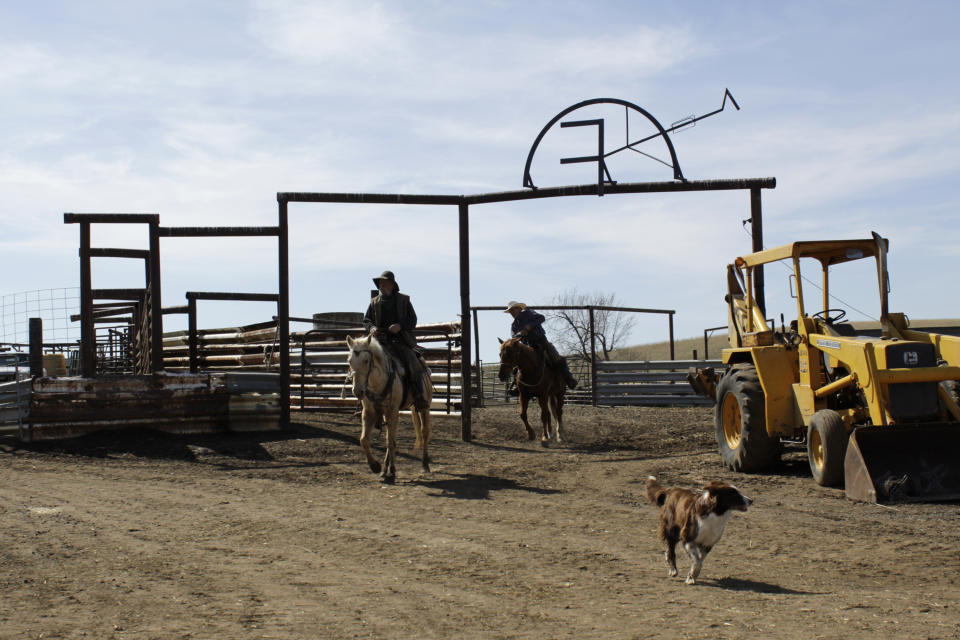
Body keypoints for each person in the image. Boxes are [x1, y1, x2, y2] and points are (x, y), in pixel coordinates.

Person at [363, 270, 430, 410]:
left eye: (385, 283)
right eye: (380, 283)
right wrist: (371, 328)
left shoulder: (404, 300)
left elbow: (413, 320)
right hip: (380, 342)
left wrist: (400, 326)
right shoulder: (374, 302)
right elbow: (366, 320)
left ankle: (419, 396)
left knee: (413, 362)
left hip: (400, 340)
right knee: (363, 362)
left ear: (392, 285)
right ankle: (364, 401)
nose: (382, 286)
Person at [505, 301, 578, 389]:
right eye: (510, 311)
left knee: (557, 358)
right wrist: (520, 334)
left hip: (541, 342)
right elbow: (513, 336)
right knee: (517, 361)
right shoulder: (514, 325)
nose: (512, 313)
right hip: (527, 346)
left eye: (513, 310)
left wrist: (529, 327)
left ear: (519, 309)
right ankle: (517, 384)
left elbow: (541, 318)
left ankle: (569, 378)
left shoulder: (529, 313)